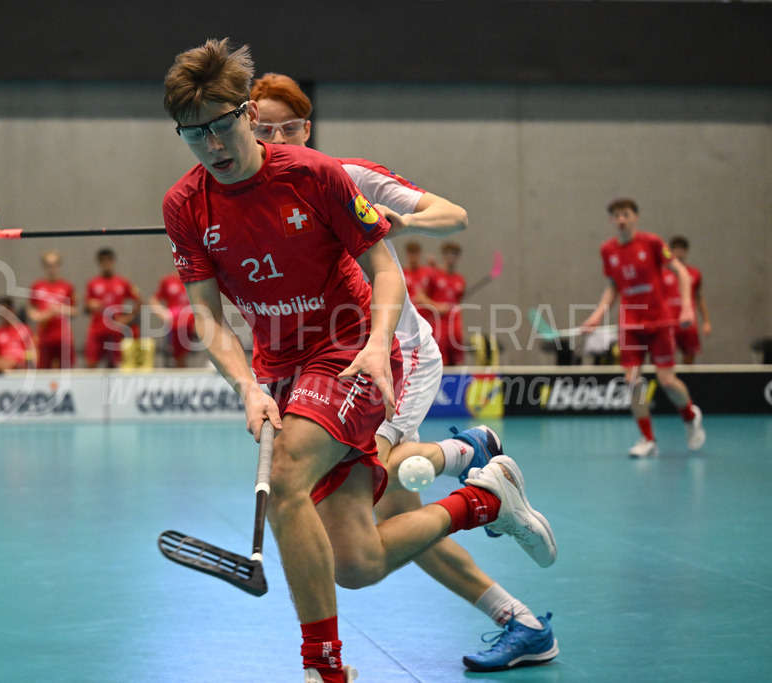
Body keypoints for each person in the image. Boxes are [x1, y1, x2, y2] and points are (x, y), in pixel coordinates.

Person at [164, 39, 556, 683]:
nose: (211, 145)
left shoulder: (318, 174)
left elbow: (383, 267)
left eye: (220, 126)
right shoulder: (185, 207)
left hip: (352, 351)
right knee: (356, 561)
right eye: (192, 134)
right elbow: (207, 316)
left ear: (243, 115)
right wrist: (246, 388)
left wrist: (378, 344)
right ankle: (484, 502)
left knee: (288, 475)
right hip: (283, 371)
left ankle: (324, 668)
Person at [581, 197, 706, 457]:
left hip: (659, 322)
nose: (621, 220)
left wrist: (685, 307)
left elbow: (681, 273)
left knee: (667, 381)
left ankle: (689, 415)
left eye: (626, 214)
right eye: (616, 216)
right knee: (632, 381)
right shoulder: (608, 250)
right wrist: (597, 315)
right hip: (630, 324)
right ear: (611, 220)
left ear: (635, 217)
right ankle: (647, 439)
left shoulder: (652, 243)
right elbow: (613, 287)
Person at [84, 248, 141, 369]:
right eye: (103, 261)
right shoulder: (93, 283)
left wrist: (126, 319)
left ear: (113, 261)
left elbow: (139, 301)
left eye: (108, 260)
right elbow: (86, 307)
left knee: (115, 365)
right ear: (99, 263)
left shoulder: (122, 282)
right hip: (97, 330)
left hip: (115, 331)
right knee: (91, 363)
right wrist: (91, 305)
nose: (106, 264)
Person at [661, 235, 711, 364]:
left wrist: (706, 321)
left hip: (688, 323)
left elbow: (699, 298)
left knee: (689, 356)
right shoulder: (662, 274)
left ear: (686, 252)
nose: (679, 253)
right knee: (665, 357)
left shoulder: (694, 273)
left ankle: (687, 381)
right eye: (676, 250)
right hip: (668, 322)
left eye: (682, 250)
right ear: (670, 252)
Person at [28, 249, 76, 370]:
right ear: (44, 266)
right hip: (45, 335)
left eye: (54, 264)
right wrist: (45, 315)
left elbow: (75, 310)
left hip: (63, 336)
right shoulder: (37, 286)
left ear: (58, 265)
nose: (52, 268)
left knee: (66, 368)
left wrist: (60, 309)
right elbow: (32, 312)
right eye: (49, 265)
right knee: (44, 368)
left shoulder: (67, 286)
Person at [426, 241, 467, 366]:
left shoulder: (460, 280)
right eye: (448, 254)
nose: (450, 257)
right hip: (439, 325)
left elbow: (458, 302)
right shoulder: (435, 276)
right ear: (443, 256)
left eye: (454, 254)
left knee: (458, 361)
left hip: (455, 326)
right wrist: (436, 306)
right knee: (440, 361)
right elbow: (420, 296)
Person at [150, 270, 197, 368]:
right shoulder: (168, 281)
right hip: (175, 324)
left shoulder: (196, 280)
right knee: (178, 355)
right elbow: (154, 299)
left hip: (193, 322)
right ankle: (182, 373)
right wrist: (163, 314)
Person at [0, 296, 35, 372]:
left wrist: (19, 359)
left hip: (22, 365)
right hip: (4, 366)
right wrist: (4, 362)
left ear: (12, 310)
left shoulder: (25, 330)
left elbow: (33, 352)